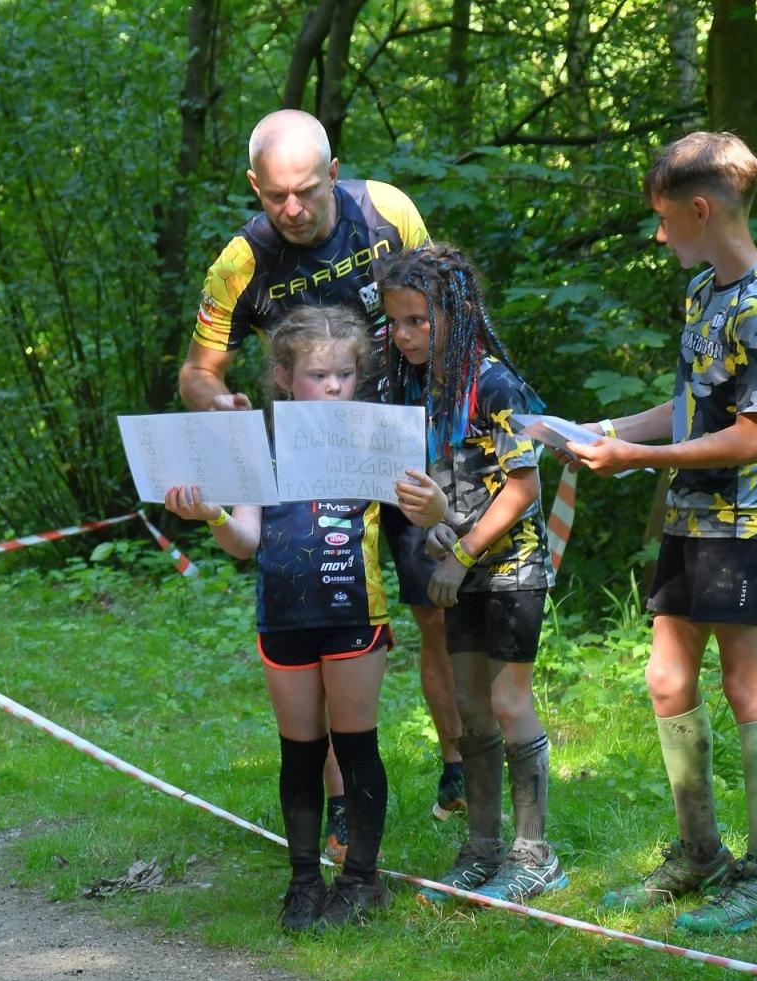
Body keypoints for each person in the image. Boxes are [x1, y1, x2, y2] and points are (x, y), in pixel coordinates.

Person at [177, 109, 464, 833]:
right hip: (313, 457)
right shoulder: (240, 262)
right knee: (329, 616)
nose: (293, 209)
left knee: (440, 606)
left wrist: (464, 407)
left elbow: (441, 311)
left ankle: (461, 766)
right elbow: (196, 373)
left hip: (402, 435)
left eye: (306, 191)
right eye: (276, 196)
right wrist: (220, 401)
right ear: (255, 186)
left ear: (334, 173)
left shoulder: (386, 211)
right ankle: (340, 807)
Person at [570, 131, 757, 933]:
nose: (658, 233)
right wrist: (601, 431)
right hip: (688, 516)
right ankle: (700, 853)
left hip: (744, 520)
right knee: (668, 679)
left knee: (746, 685)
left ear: (700, 210)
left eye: (664, 218)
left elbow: (747, 437)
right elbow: (689, 408)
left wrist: (636, 458)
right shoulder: (704, 291)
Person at [165, 305, 392, 932]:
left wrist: (429, 509)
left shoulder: (375, 438)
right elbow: (244, 541)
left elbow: (421, 516)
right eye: (319, 375)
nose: (334, 387)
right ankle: (303, 882)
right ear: (285, 378)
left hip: (354, 612)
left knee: (357, 748)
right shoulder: (257, 444)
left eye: (345, 374)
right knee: (300, 753)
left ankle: (361, 881)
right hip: (285, 618)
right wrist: (211, 513)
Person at [385, 243, 566, 905]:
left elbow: (523, 487)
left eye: (417, 321)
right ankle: (483, 849)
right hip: (458, 572)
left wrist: (460, 554)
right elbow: (440, 491)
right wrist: (438, 530)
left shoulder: (494, 384)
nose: (404, 335)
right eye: (395, 322)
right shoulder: (420, 387)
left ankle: (535, 854)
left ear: (455, 315)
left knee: (509, 702)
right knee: (469, 707)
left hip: (512, 570)